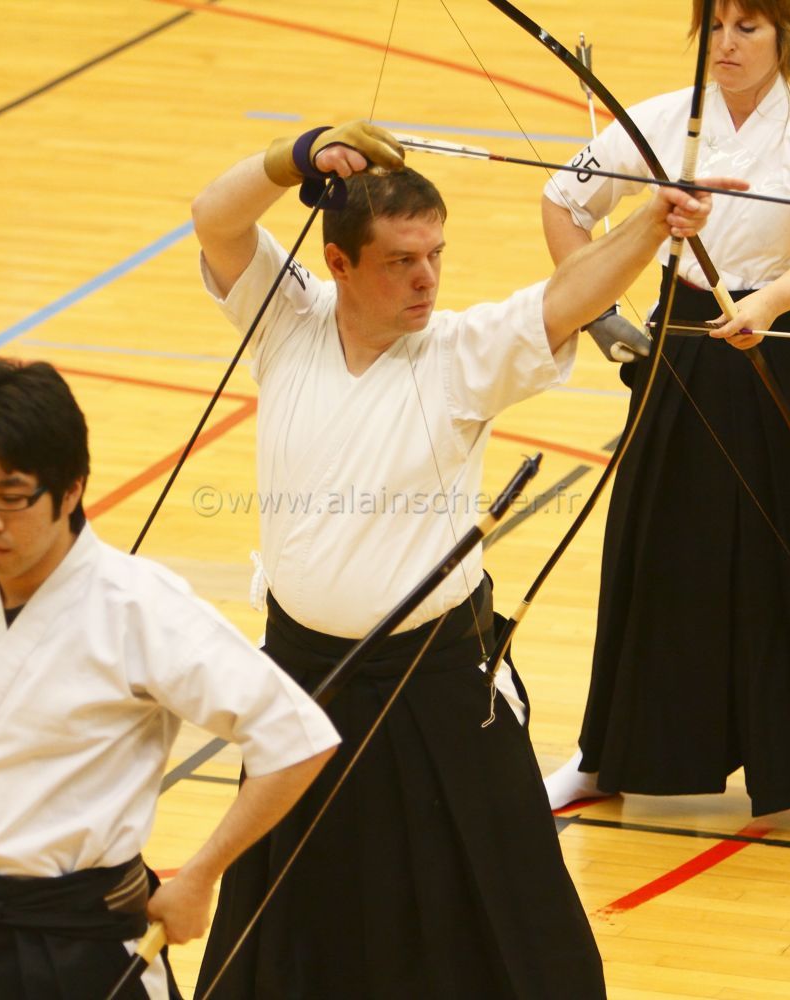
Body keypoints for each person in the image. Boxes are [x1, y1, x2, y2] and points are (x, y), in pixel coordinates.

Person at [189, 120, 729, 997]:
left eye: (435, 254)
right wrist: (298, 154)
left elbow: (565, 297)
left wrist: (651, 220)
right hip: (302, 676)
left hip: (435, 682)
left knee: (502, 913)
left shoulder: (459, 355)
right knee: (294, 918)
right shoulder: (288, 319)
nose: (427, 278)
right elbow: (215, 218)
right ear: (337, 263)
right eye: (401, 260)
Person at [538, 0, 790, 863]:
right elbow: (562, 200)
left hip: (788, 349)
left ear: (784, 37)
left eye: (749, 28)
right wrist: (598, 309)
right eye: (717, 25)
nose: (726, 45)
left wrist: (766, 303)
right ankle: (603, 752)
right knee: (650, 543)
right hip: (684, 344)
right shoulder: (661, 121)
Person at [0, 358, 339, 999]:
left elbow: (298, 738)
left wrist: (202, 875)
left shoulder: (142, 608)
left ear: (70, 489)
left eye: (11, 497)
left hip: (84, 937)